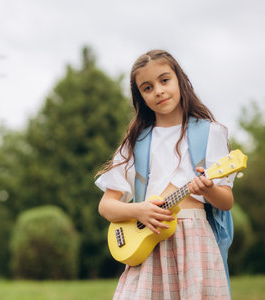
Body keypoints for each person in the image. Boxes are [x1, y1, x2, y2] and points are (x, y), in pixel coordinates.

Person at [95, 49, 234, 299]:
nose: (158, 90)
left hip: (195, 245)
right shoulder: (136, 142)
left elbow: (226, 201)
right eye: (147, 88)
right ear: (141, 97)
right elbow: (106, 206)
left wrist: (210, 189)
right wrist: (139, 210)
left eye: (164, 80)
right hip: (149, 245)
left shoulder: (211, 133)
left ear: (180, 80)